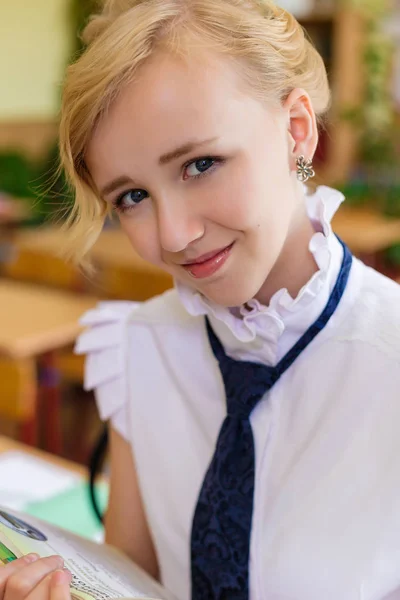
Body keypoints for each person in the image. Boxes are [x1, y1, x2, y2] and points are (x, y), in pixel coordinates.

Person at [3, 0, 400, 599]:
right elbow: (132, 577)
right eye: (132, 196)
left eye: (201, 164)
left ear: (297, 128)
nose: (172, 235)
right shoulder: (141, 345)